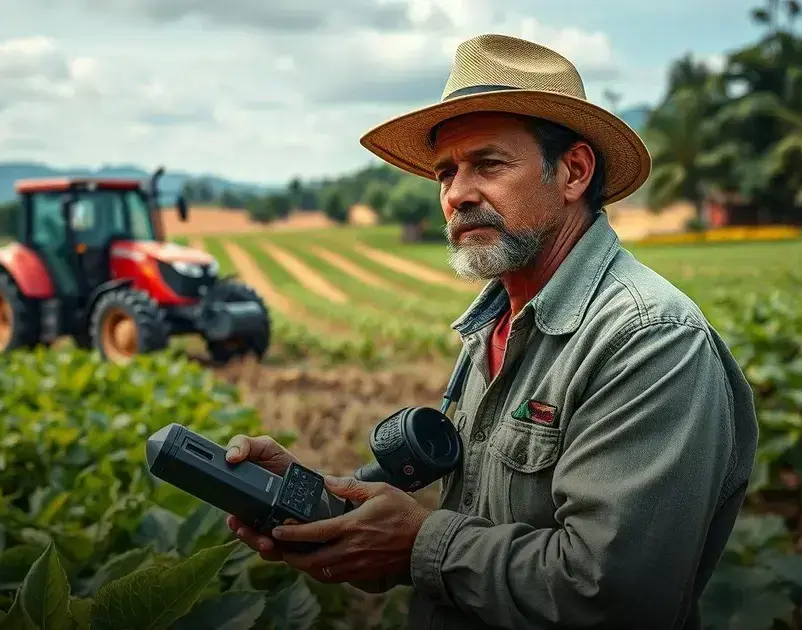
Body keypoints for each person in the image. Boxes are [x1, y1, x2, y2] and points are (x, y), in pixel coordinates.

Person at [224, 33, 758, 630]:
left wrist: (418, 544)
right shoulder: (493, 324)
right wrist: (326, 503)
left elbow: (610, 595)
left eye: (489, 164)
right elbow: (482, 518)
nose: (457, 194)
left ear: (574, 172)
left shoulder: (649, 339)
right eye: (445, 172)